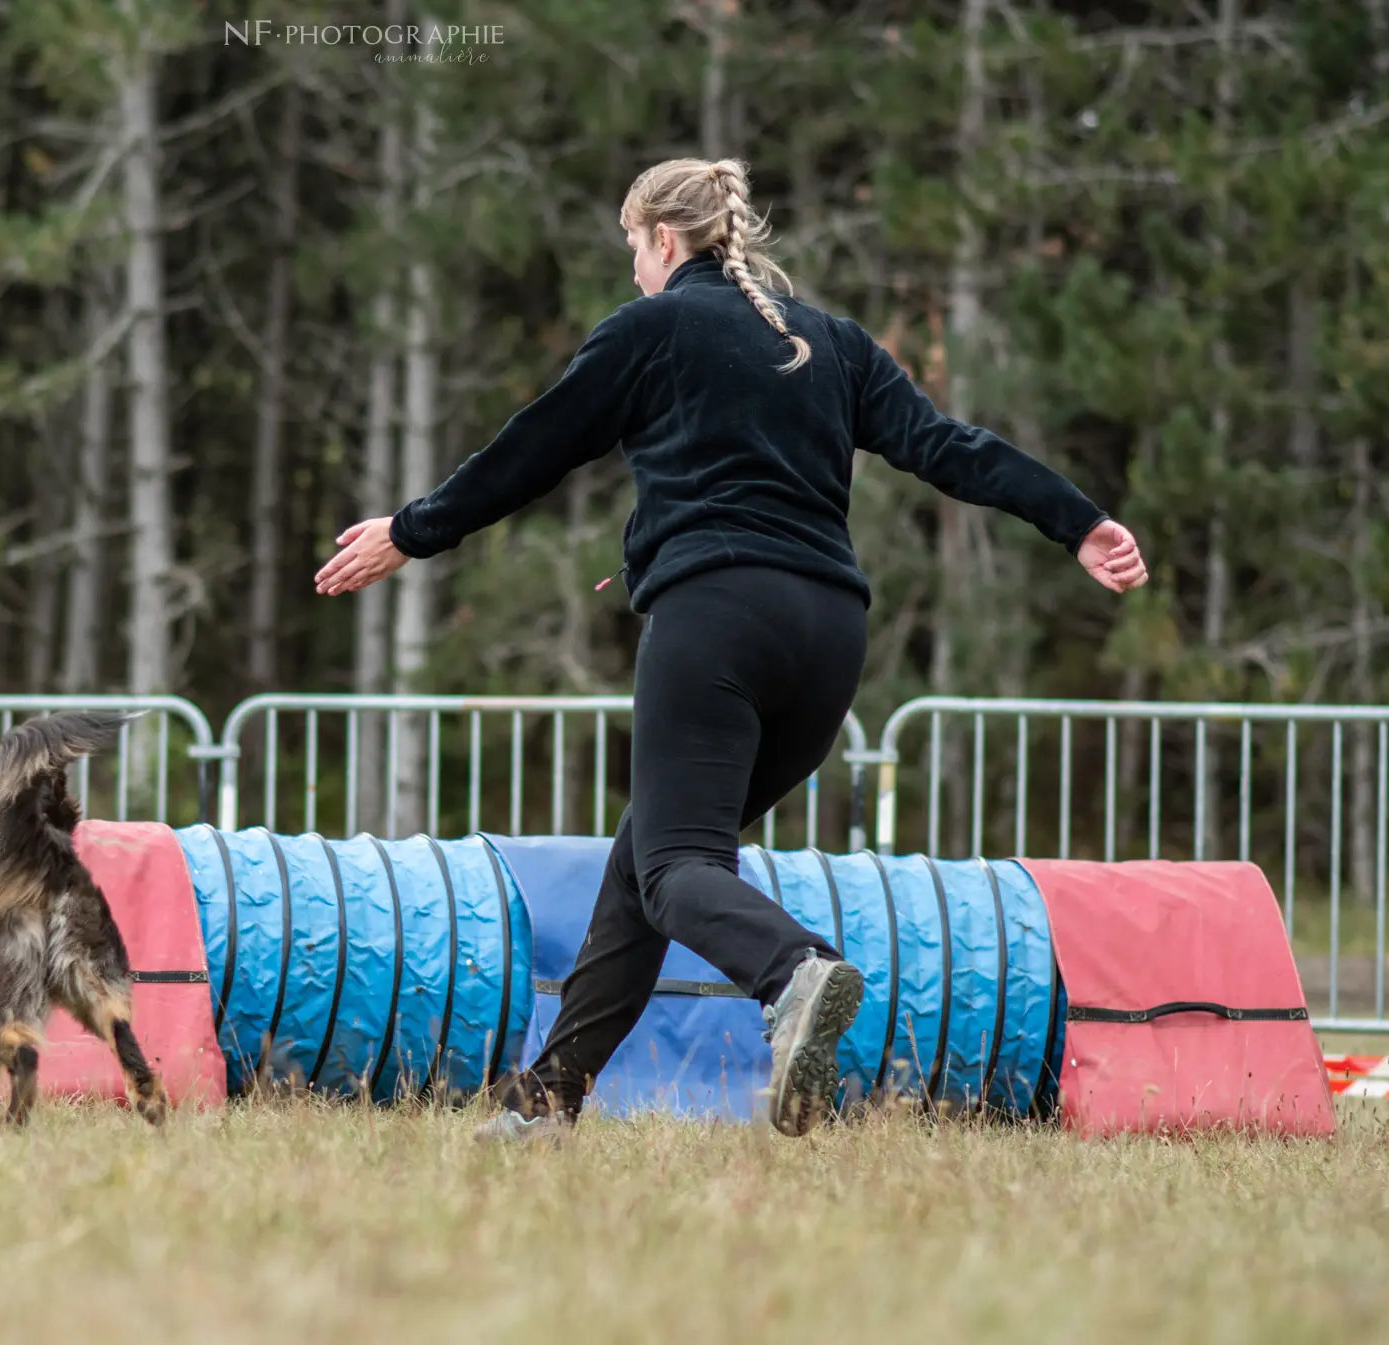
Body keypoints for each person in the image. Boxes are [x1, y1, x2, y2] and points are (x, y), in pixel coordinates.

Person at [312, 157, 1149, 1142]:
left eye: (632, 247)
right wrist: (1075, 519)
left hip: (715, 618)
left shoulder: (651, 327)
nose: (632, 268)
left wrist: (410, 531)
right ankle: (546, 1100)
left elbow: (528, 448)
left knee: (674, 867)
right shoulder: (830, 343)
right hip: (828, 643)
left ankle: (793, 968)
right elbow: (946, 445)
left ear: (663, 240)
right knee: (646, 865)